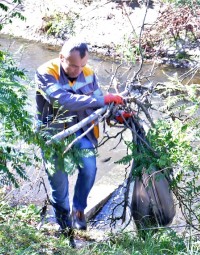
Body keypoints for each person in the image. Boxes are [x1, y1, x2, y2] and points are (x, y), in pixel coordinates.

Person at [35, 38, 128, 240]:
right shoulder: (46, 72)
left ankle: (78, 210)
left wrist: (116, 115)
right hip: (54, 135)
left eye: (82, 66)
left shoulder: (88, 73)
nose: (78, 70)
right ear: (61, 57)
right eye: (74, 65)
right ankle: (64, 227)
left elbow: (98, 105)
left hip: (81, 130)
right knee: (59, 186)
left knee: (89, 168)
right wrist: (102, 99)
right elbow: (63, 101)